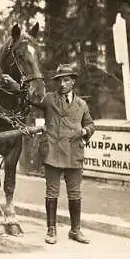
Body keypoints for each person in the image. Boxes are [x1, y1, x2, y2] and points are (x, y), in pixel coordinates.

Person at [35, 63, 95, 245]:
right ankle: (51, 229)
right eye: (59, 80)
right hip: (53, 152)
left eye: (66, 80)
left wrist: (85, 131)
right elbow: (32, 98)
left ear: (73, 82)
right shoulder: (49, 99)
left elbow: (91, 124)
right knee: (52, 192)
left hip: (74, 153)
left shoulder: (82, 104)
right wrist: (15, 86)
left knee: (75, 193)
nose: (62, 84)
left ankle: (75, 230)